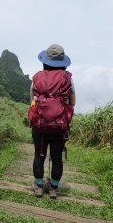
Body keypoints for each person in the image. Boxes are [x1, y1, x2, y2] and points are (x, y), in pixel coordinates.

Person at [30, 44, 76, 199]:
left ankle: (38, 185)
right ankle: (54, 188)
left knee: (39, 155)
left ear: (45, 61)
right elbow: (73, 103)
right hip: (60, 126)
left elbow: (32, 102)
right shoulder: (68, 80)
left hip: (40, 126)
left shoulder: (37, 77)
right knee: (57, 157)